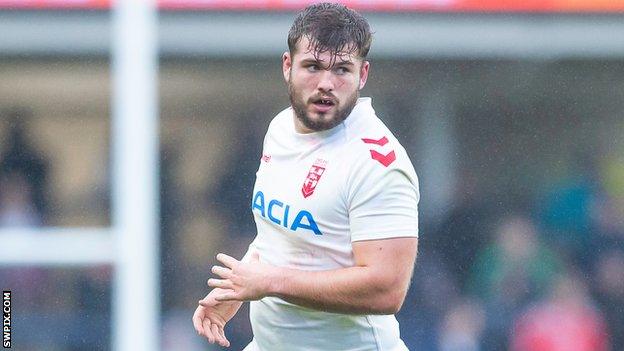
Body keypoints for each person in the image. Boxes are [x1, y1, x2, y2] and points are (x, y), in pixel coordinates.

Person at [192, 3, 420, 350]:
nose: (326, 84)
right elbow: (280, 233)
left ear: (363, 74)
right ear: (288, 66)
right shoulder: (281, 127)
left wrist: (269, 282)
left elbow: (387, 289)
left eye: (342, 69)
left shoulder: (378, 163)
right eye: (312, 66)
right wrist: (238, 287)